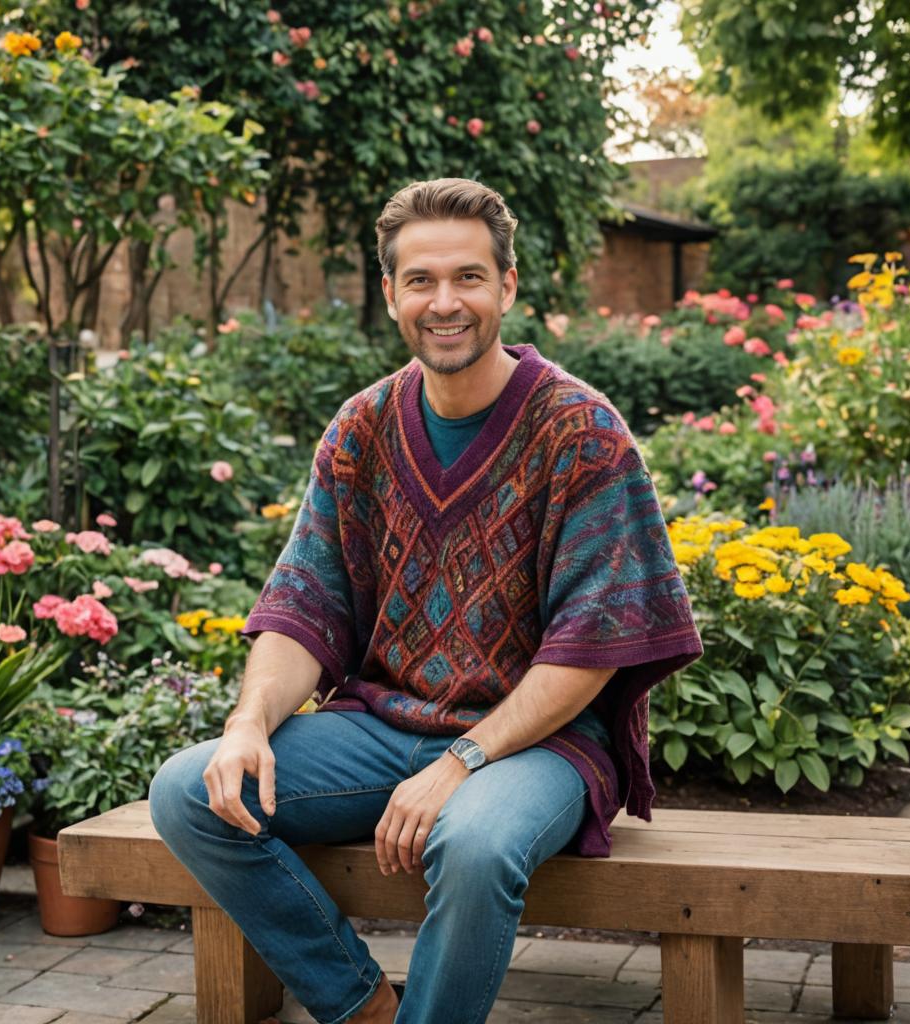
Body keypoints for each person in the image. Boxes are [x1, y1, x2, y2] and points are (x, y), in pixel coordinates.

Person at [149, 177, 703, 1024]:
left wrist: (462, 762)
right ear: (391, 293)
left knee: (475, 843)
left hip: (539, 744)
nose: (446, 302)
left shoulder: (582, 433)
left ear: (508, 286)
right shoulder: (360, 429)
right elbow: (305, 603)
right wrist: (248, 724)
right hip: (384, 729)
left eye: (469, 278)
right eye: (421, 280)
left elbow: (590, 647)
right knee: (191, 791)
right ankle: (364, 1007)